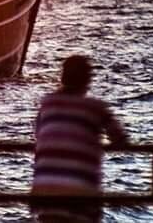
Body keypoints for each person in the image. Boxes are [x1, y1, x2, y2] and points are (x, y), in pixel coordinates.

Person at [32, 54, 127, 223]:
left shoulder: (47, 103)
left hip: (44, 190)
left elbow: (38, 133)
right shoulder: (96, 108)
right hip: (79, 193)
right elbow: (120, 139)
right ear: (87, 80)